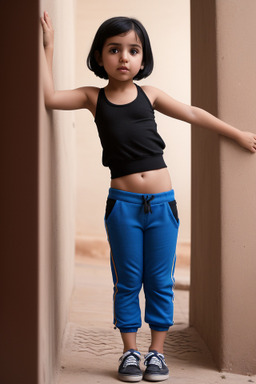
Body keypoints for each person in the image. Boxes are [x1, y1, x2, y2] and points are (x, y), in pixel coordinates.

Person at [40, 11, 256, 382]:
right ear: (99, 57)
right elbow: (48, 97)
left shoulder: (150, 95)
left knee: (159, 280)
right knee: (127, 280)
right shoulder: (93, 98)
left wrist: (235, 133)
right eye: (114, 49)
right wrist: (48, 46)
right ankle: (129, 352)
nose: (124, 57)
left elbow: (191, 112)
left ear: (143, 59)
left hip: (162, 205)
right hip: (122, 206)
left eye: (133, 50)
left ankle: (157, 352)